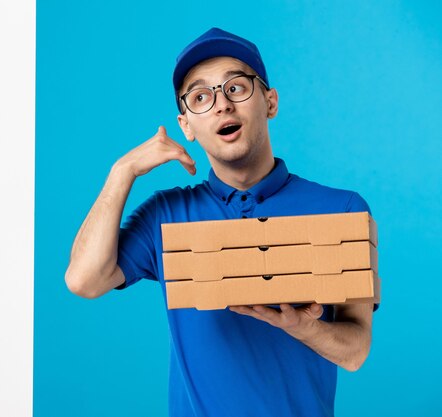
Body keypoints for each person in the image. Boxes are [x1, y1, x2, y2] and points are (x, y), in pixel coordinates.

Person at [65, 27, 376, 417]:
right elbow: (84, 280)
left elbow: (356, 352)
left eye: (236, 88)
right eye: (201, 97)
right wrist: (122, 171)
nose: (221, 105)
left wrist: (304, 327)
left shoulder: (342, 209)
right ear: (187, 127)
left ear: (270, 101)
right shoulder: (166, 215)